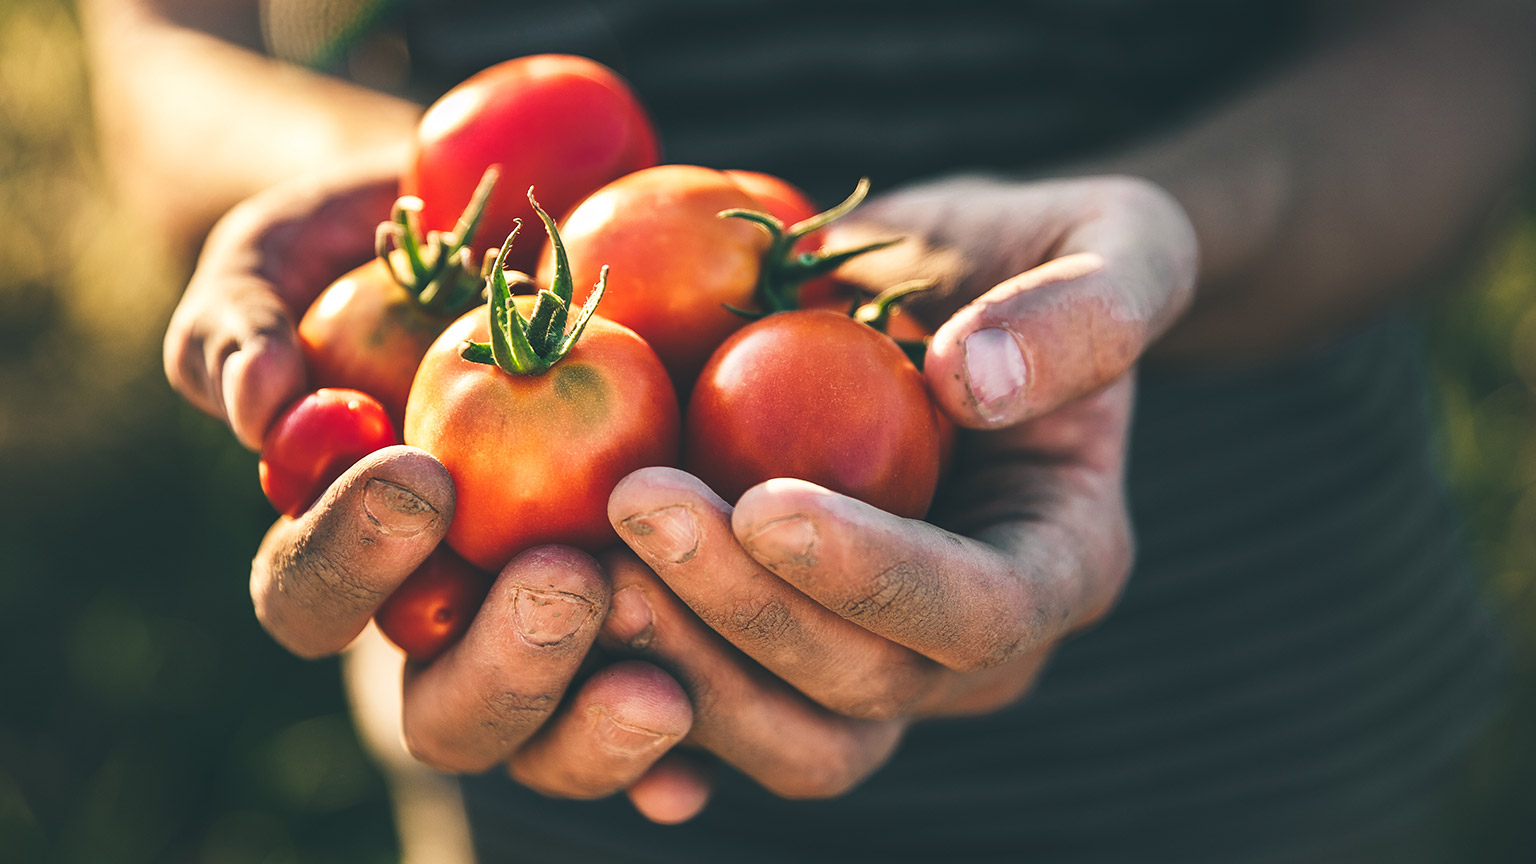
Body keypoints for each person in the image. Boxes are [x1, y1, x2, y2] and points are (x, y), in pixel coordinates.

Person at [83, 0, 1535, 860]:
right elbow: (157, 56)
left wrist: (1173, 253)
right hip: (551, 760)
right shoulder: (570, 314)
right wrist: (404, 217)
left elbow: (1474, 50)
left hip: (1260, 722)